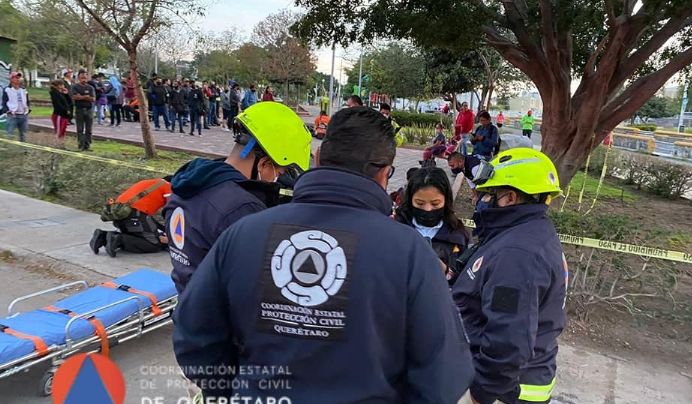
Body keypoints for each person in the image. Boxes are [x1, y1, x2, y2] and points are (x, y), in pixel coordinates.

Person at [172, 106, 474, 402]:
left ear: (317, 159)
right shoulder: (409, 252)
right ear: (385, 174)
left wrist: (243, 392)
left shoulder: (243, 233)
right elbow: (445, 374)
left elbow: (194, 337)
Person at [452, 148, 566, 404]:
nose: (476, 199)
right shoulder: (526, 233)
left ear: (509, 198)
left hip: (501, 392)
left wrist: (478, 396)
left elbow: (508, 338)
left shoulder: (518, 255)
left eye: (485, 193)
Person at [164, 102, 311, 293]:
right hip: (218, 316)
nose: (277, 179)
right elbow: (261, 281)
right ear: (263, 165)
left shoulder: (187, 183)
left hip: (188, 304)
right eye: (279, 171)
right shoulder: (241, 209)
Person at [395, 167, 469, 284]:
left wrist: (445, 271)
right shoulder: (396, 227)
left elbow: (465, 279)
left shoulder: (457, 234)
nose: (428, 209)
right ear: (410, 200)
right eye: (420, 203)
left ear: (446, 200)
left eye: (435, 203)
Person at [90, 177, 172, 257]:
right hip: (135, 216)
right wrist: (169, 236)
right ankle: (118, 239)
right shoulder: (168, 186)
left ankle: (102, 236)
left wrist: (162, 230)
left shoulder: (147, 183)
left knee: (137, 236)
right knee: (154, 244)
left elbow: (149, 221)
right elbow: (171, 210)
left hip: (120, 215)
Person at [70, 69, 96, 151]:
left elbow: (93, 99)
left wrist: (81, 96)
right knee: (80, 129)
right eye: (82, 77)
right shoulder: (75, 87)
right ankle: (80, 145)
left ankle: (87, 145)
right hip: (79, 109)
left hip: (89, 110)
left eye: (85, 77)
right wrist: (85, 97)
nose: (84, 79)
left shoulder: (90, 87)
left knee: (89, 129)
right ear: (78, 78)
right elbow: (74, 97)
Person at [1, 72, 31, 142]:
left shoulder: (23, 90)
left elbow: (27, 101)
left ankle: (24, 151)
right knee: (9, 134)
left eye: (19, 78)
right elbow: (4, 102)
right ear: (11, 79)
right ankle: (7, 149)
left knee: (23, 135)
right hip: (12, 115)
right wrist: (7, 111)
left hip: (23, 115)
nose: (18, 79)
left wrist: (27, 109)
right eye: (16, 77)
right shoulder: (7, 90)